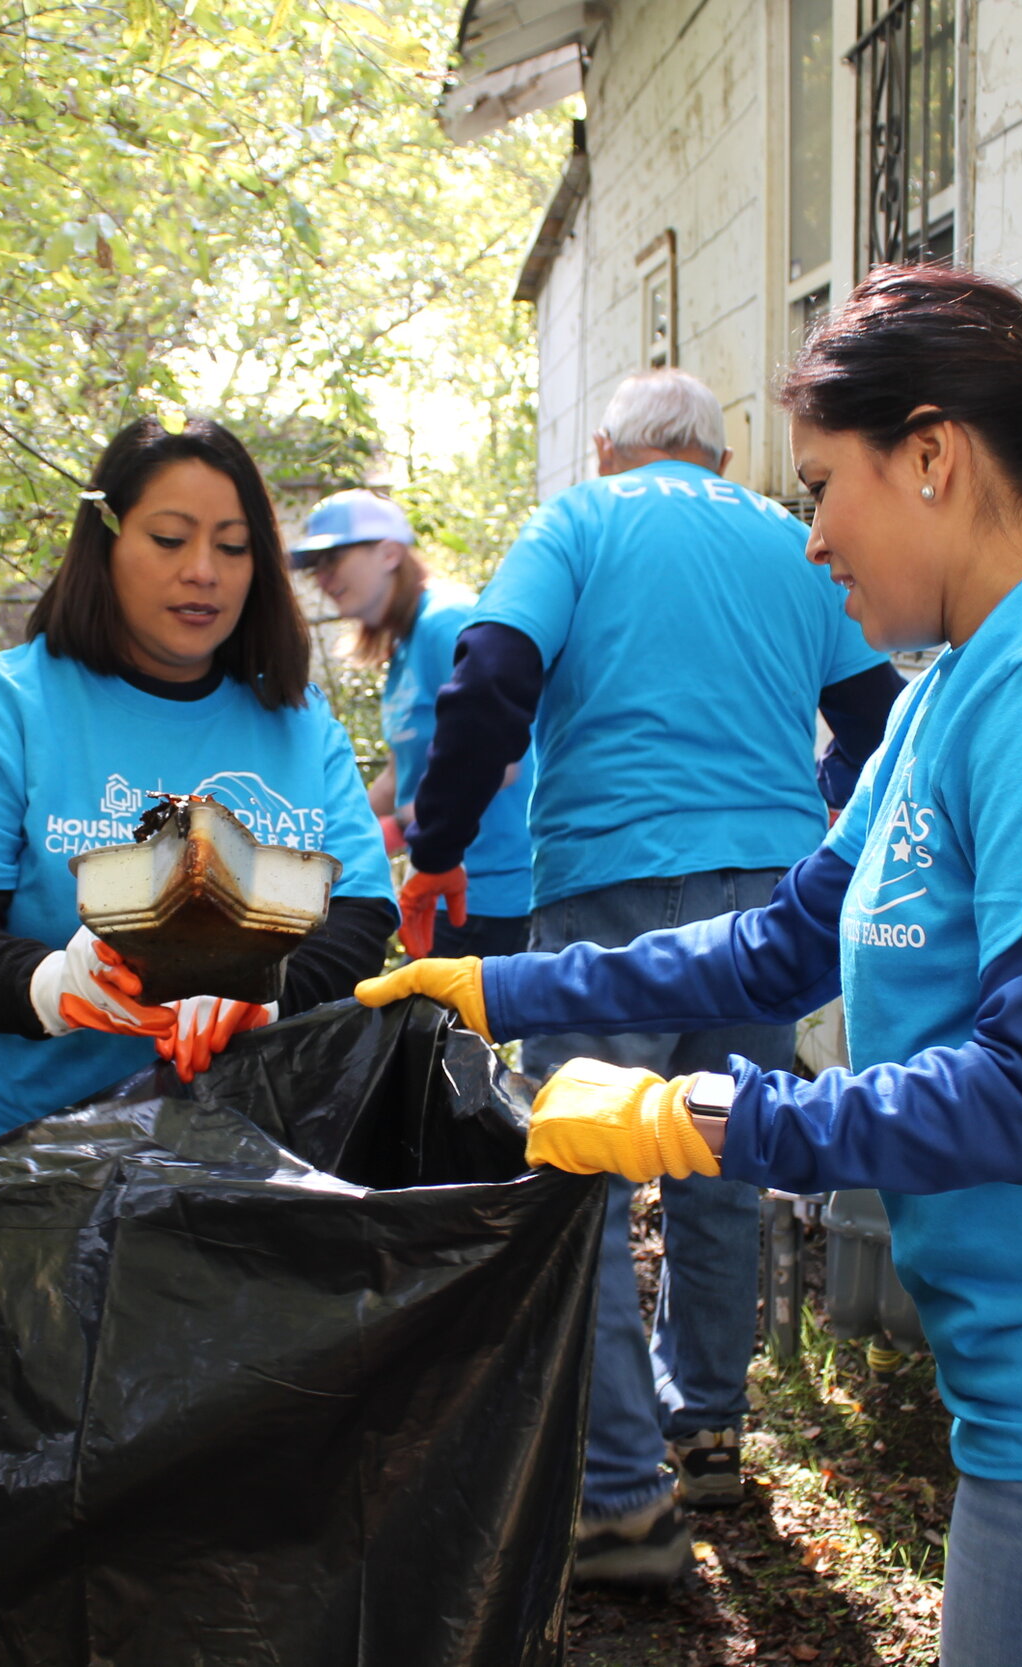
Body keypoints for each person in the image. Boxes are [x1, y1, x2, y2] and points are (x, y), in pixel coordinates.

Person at [360, 266, 1022, 1667]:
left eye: (823, 485)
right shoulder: (960, 674)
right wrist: (501, 986)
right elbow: (784, 938)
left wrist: (705, 1119)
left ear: (931, 455)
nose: (810, 537)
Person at [0, 416, 399, 1667]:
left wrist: (268, 989)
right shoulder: (5, 706)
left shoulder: (288, 720)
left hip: (202, 1164)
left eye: (230, 544)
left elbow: (361, 915)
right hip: (1, 1172)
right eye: (169, 537)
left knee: (171, 1467)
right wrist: (55, 983)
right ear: (104, 542)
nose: (202, 571)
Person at [396, 366, 903, 1583]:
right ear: (720, 460)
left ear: (607, 447)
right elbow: (878, 714)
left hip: (604, 901)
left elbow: (490, 678)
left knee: (578, 1171)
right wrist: (826, 823)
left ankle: (620, 1495)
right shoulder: (792, 539)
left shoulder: (578, 520)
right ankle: (707, 1427)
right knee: (721, 1160)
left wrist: (440, 846)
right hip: (765, 910)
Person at [292, 487, 537, 959]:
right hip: (447, 878)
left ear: (389, 553)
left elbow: (500, 760)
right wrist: (329, 841)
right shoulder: (407, 643)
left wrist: (400, 827)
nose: (322, 577)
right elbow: (401, 772)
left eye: (334, 559)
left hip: (489, 890)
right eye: (314, 566)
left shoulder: (447, 622)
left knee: (423, 1028)